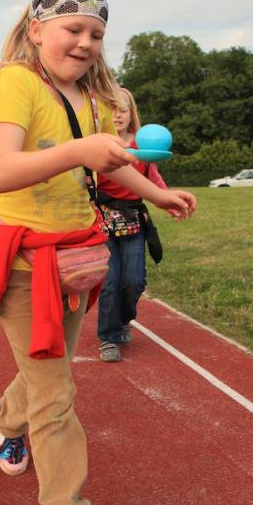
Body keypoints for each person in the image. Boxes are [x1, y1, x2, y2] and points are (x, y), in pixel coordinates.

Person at [0, 0, 196, 505]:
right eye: (73, 29)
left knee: (48, 370)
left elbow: (112, 165)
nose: (85, 43)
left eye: (96, 34)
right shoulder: (13, 83)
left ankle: (6, 418)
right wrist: (79, 150)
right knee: (55, 394)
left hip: (79, 259)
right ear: (37, 30)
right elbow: (2, 171)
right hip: (22, 263)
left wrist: (159, 194)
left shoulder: (98, 100)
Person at [95, 88, 171, 362]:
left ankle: (124, 319)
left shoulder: (144, 146)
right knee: (109, 282)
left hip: (133, 221)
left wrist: (169, 201)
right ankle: (108, 337)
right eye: (111, 109)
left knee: (134, 281)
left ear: (131, 114)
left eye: (123, 110)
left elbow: (154, 181)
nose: (117, 115)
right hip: (101, 221)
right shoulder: (97, 144)